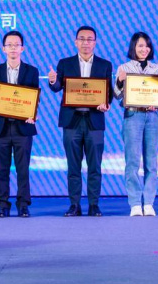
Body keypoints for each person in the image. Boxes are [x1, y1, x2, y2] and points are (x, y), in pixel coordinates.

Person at [48, 26, 112, 217]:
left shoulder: (104, 65)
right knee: (73, 166)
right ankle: (74, 205)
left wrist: (106, 103)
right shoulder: (65, 63)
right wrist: (52, 80)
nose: (86, 42)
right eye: (82, 39)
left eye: (89, 39)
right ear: (76, 42)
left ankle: (94, 205)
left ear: (95, 42)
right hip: (72, 121)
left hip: (94, 121)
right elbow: (57, 87)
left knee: (95, 166)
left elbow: (107, 92)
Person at [0, 31, 39, 218]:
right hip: (1, 127)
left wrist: (32, 114)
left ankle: (23, 204)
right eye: (9, 45)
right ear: (3, 49)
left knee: (23, 168)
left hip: (23, 127)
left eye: (16, 45)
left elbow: (34, 98)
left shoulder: (32, 71)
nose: (13, 48)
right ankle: (2, 204)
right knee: (1, 168)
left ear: (22, 48)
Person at [113, 32, 158, 217]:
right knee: (132, 161)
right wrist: (120, 80)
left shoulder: (157, 69)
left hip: (152, 117)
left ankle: (149, 202)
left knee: (151, 162)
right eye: (140, 45)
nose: (144, 49)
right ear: (133, 47)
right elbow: (116, 95)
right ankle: (135, 203)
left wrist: (156, 103)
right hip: (133, 115)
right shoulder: (124, 68)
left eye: (147, 46)